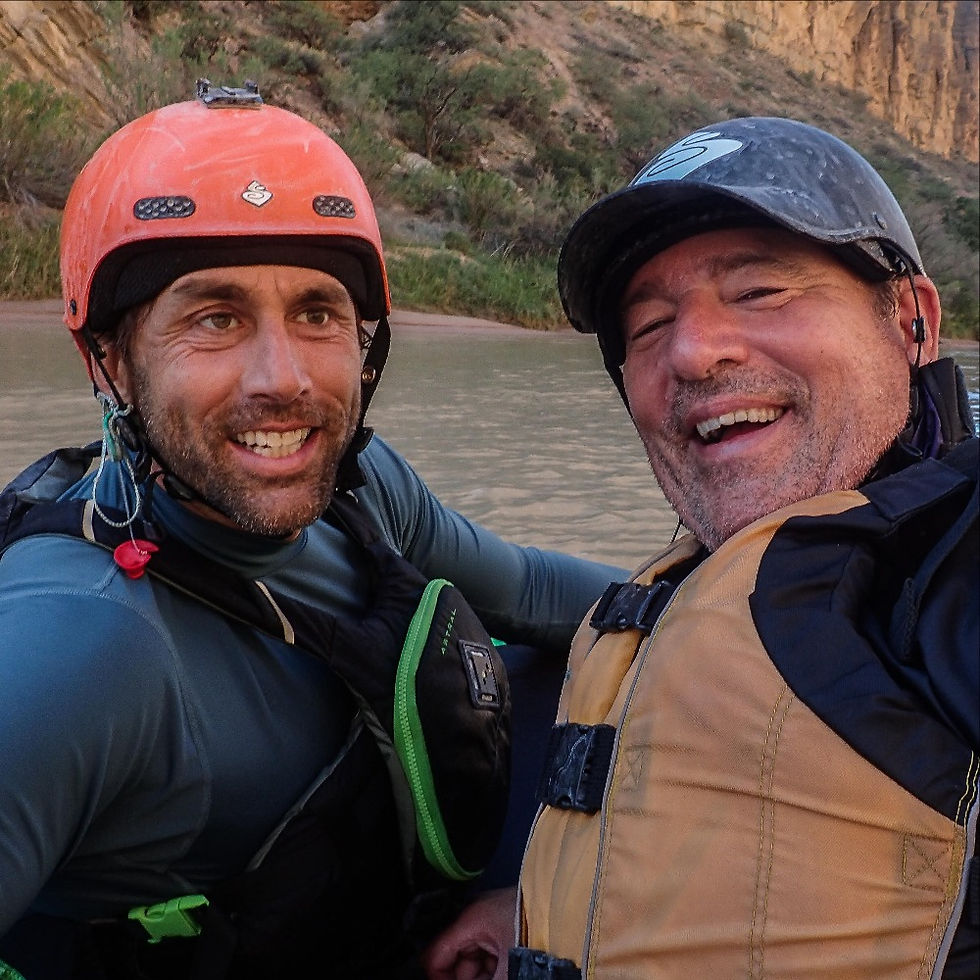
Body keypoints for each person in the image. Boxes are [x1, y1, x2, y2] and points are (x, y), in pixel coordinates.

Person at [0, 81, 622, 980]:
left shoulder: (360, 491)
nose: (282, 379)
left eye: (318, 313)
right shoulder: (77, 641)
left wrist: (733, 621)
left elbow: (528, 591)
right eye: (214, 318)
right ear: (108, 361)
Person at [428, 117, 979, 979]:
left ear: (911, 321)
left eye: (760, 292)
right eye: (648, 328)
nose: (691, 351)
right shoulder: (700, 578)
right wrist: (544, 916)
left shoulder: (949, 563)